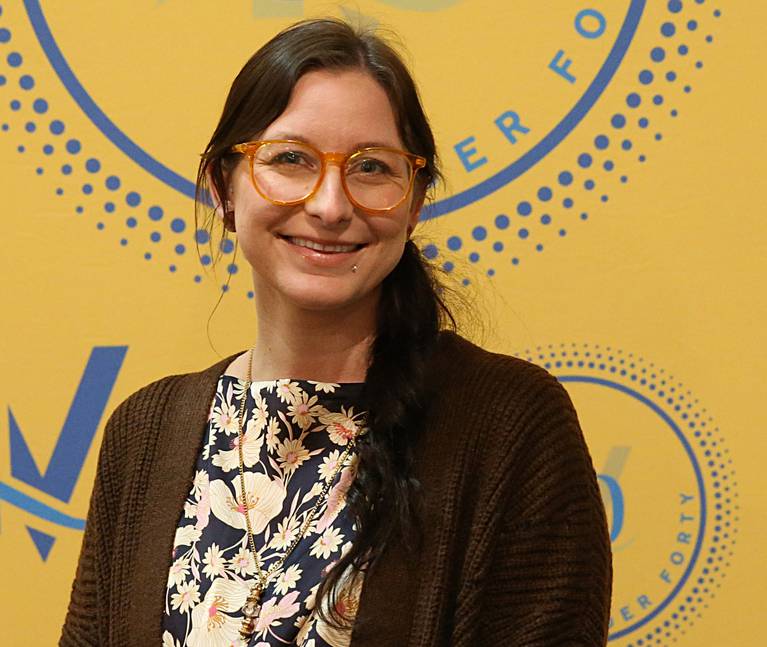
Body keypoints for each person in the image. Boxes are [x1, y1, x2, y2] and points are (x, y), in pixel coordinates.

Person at [60, 17, 611, 647]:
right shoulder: (144, 432)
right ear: (223, 186)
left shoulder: (511, 424)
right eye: (290, 159)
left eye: (372, 168)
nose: (330, 205)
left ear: (414, 201)